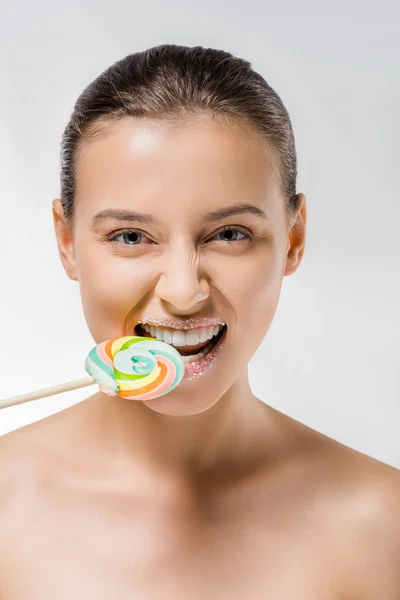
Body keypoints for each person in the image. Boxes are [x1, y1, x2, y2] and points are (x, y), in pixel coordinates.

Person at [0, 44, 399, 599]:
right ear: (67, 243)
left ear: (294, 238)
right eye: (131, 237)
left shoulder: (384, 528)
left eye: (230, 234)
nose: (184, 292)